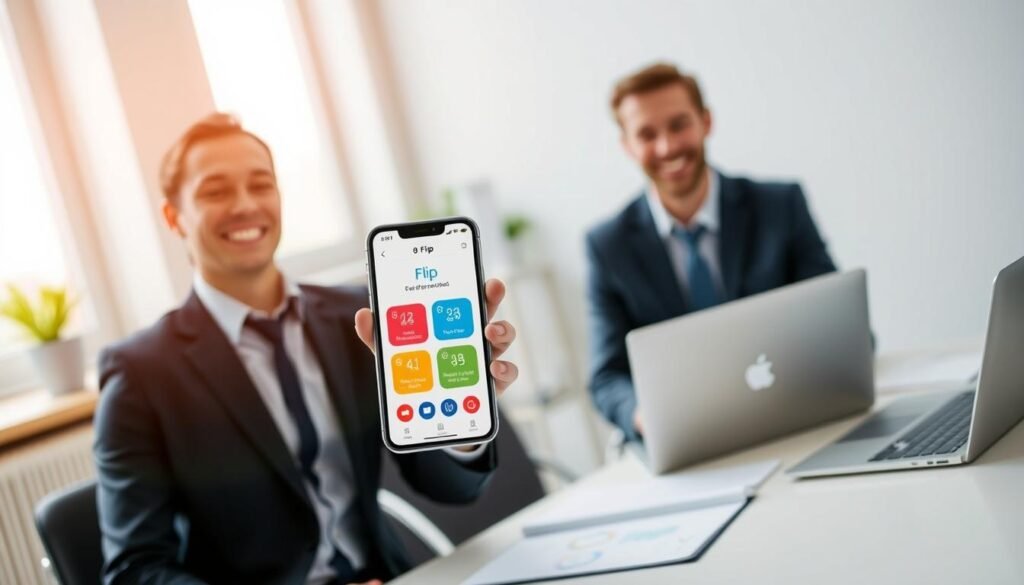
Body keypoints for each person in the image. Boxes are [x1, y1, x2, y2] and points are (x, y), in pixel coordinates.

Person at [93, 113, 520, 585]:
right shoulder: (141, 373)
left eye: (261, 185)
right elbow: (135, 570)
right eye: (215, 191)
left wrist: (459, 425)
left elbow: (446, 487)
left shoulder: (355, 318)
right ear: (174, 217)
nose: (245, 205)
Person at [586, 63, 837, 442]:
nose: (667, 147)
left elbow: (841, 327)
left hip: (793, 419)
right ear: (627, 146)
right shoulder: (608, 245)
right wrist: (643, 416)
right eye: (647, 134)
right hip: (687, 441)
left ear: (705, 122)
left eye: (678, 125)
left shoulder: (780, 206)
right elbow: (606, 379)